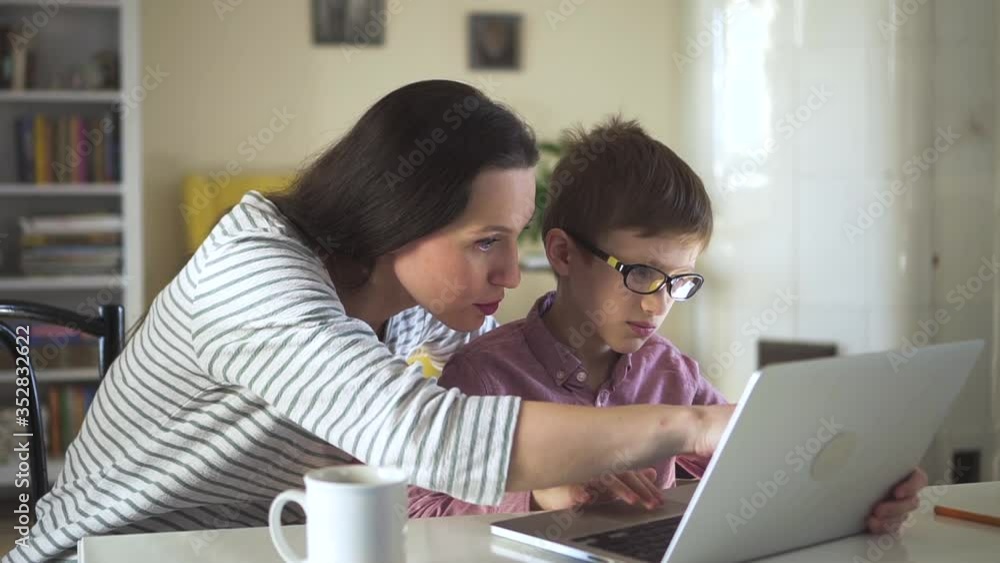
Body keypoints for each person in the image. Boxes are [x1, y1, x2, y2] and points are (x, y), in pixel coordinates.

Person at [4, 81, 734, 563]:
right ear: (396, 222)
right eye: (486, 242)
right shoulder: (257, 273)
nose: (512, 274)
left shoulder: (423, 304)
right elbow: (433, 436)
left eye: (515, 237)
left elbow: (502, 404)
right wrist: (689, 426)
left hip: (260, 545)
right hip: (112, 552)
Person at [407, 117, 928, 536]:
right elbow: (417, 514)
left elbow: (753, 474)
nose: (658, 305)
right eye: (641, 274)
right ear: (564, 253)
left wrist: (865, 488)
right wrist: (536, 493)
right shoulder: (482, 377)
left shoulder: (673, 375)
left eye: (678, 282)